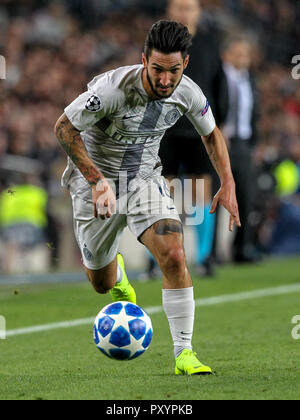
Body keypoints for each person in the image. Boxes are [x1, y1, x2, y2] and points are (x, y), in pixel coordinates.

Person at [54, 20, 240, 376]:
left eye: (173, 70)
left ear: (184, 64)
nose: (165, 80)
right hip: (95, 184)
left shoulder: (189, 92)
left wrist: (227, 182)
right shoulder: (111, 90)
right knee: (101, 284)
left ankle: (184, 353)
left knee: (174, 252)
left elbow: (212, 134)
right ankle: (117, 274)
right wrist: (96, 181)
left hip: (143, 179)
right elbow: (64, 127)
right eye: (157, 69)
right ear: (144, 61)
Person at [158, 0, 229, 277]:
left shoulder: (210, 43)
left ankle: (203, 257)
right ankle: (159, 257)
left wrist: (218, 124)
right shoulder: (159, 41)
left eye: (189, 8)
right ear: (170, 11)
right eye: (179, 7)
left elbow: (219, 83)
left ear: (198, 13)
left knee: (200, 192)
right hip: (166, 129)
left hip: (200, 129)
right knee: (165, 193)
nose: (184, 12)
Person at [222, 35, 259, 262]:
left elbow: (254, 113)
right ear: (227, 54)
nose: (243, 58)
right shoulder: (220, 77)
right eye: (238, 53)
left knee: (246, 196)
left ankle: (241, 249)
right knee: (218, 195)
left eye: (245, 54)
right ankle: (212, 253)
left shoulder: (249, 80)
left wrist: (254, 142)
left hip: (243, 144)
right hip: (222, 142)